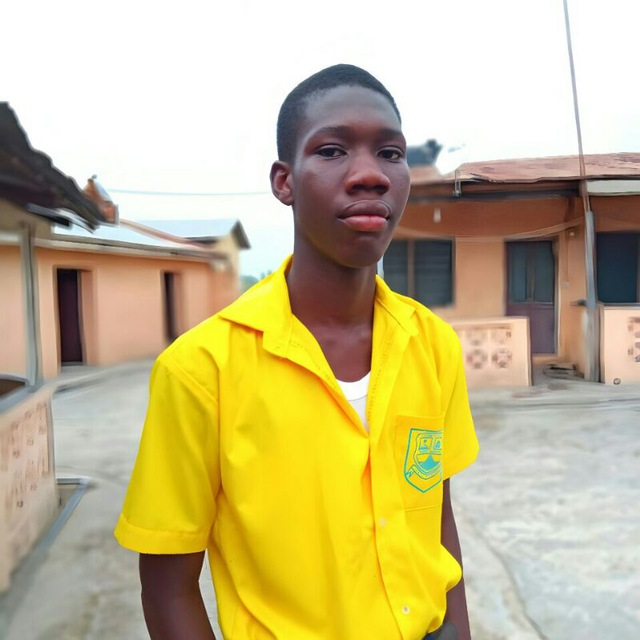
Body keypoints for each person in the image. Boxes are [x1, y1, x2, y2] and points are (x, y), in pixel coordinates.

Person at [115, 63, 479, 640]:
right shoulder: (201, 370)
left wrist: (458, 628)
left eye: (390, 153)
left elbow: (436, 515)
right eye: (332, 150)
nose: (370, 175)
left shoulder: (431, 343)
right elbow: (167, 588)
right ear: (284, 182)